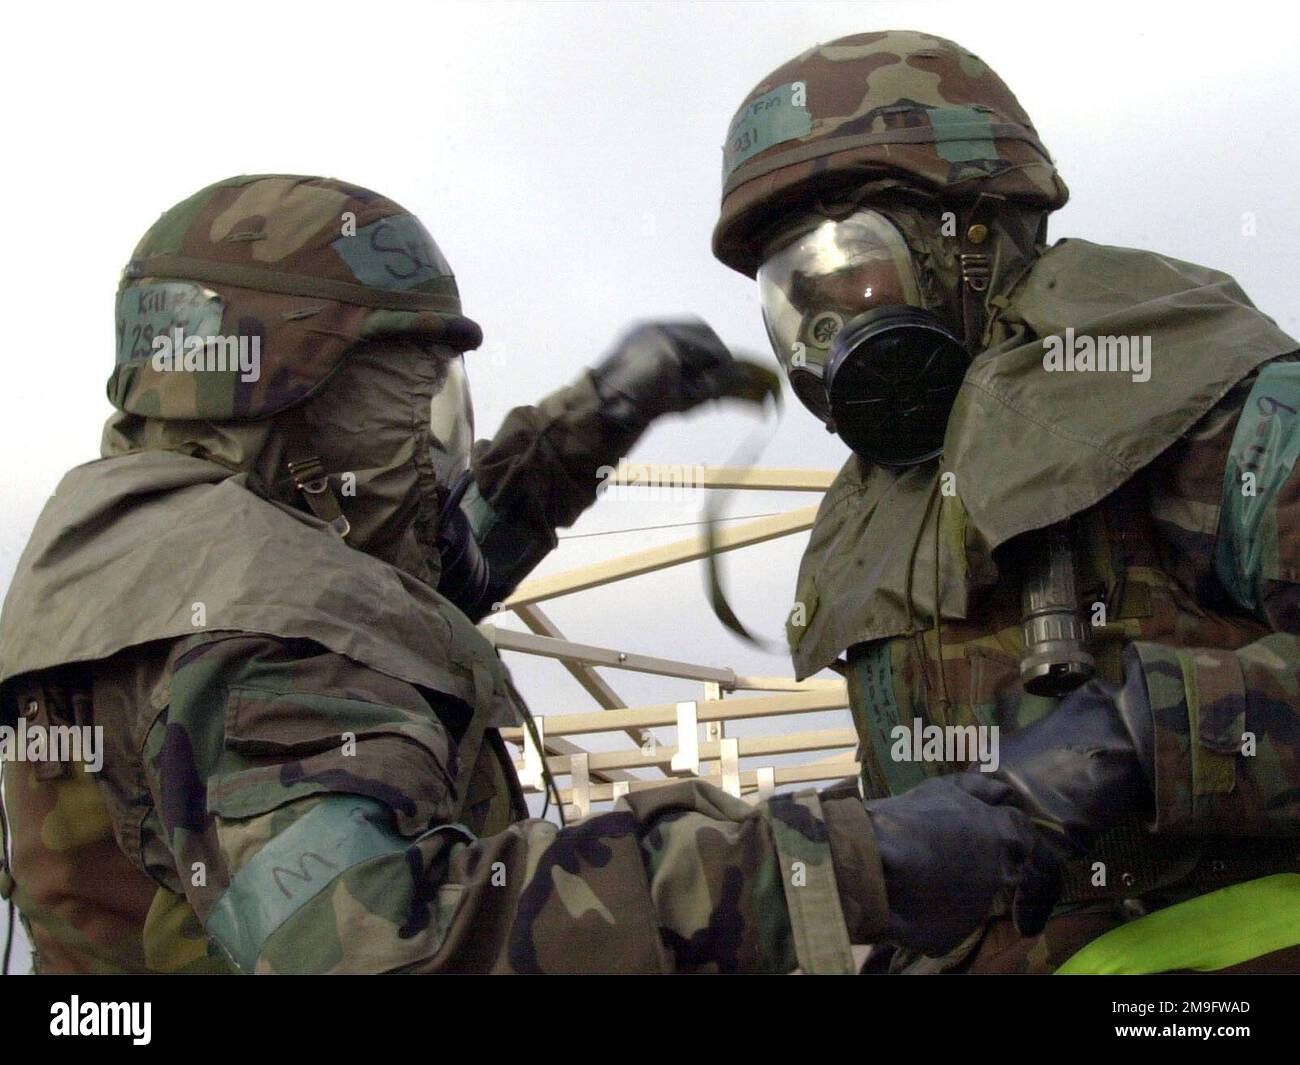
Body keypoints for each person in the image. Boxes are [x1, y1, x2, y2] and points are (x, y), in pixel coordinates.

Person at [0, 173, 1063, 974]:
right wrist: (845, 859)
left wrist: (593, 419)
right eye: (409, 404)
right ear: (288, 394)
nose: (431, 445)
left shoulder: (148, 547)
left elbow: (413, 580)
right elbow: (394, 949)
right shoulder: (252, 637)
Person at [710, 30, 1300, 973]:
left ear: (972, 238)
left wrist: (1141, 736)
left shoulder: (1193, 388)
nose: (829, 332)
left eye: (853, 268)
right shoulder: (872, 512)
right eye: (798, 302)